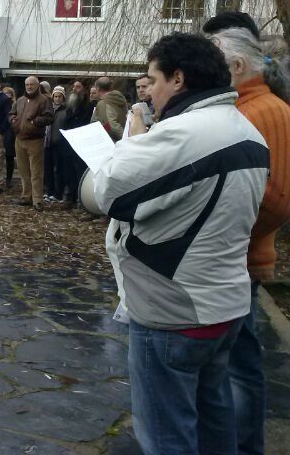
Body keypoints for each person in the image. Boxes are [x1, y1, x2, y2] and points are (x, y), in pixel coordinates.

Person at [93, 32, 269, 455]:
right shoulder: (245, 129)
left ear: (177, 78)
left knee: (167, 436)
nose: (147, 92)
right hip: (224, 304)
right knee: (214, 426)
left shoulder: (183, 135)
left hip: (173, 312)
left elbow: (107, 192)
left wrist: (133, 139)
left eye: (151, 80)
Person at [206, 22, 290, 454]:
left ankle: (244, 446)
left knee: (237, 365)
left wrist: (219, 235)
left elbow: (275, 199)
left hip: (238, 260)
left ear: (237, 65)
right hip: (230, 257)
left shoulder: (265, 111)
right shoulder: (246, 107)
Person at [9, 76, 54, 210]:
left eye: (31, 84)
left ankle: (37, 200)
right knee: (23, 171)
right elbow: (11, 113)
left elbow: (49, 117)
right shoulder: (20, 100)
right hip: (19, 138)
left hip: (35, 139)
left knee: (36, 172)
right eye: (27, 84)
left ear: (37, 85)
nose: (29, 87)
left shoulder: (44, 100)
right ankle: (26, 196)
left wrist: (35, 122)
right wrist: (12, 120)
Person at [62, 80, 94, 208]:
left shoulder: (89, 107)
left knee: (79, 172)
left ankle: (81, 199)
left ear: (84, 90)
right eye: (73, 86)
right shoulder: (70, 106)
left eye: (78, 87)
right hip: (68, 144)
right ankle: (71, 197)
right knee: (68, 172)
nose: (74, 89)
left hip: (81, 144)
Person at [43, 85, 68, 203]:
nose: (57, 99)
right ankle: (49, 191)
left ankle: (58, 193)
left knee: (58, 169)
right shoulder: (48, 109)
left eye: (59, 96)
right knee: (47, 168)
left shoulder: (66, 110)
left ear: (63, 98)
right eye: (55, 96)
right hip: (47, 141)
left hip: (59, 142)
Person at [91, 77, 127, 142]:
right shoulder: (121, 100)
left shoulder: (103, 103)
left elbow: (111, 124)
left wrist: (124, 139)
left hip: (112, 141)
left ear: (98, 89)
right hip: (125, 135)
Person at [1, 86, 17, 188]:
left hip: (10, 132)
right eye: (5, 93)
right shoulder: (0, 104)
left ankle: (9, 178)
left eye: (8, 93)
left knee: (9, 156)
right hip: (0, 130)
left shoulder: (14, 105)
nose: (6, 95)